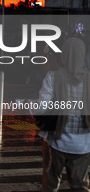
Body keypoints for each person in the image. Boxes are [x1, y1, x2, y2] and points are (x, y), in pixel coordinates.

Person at [28, 37, 90, 191]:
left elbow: (40, 108)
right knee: (80, 186)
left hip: (56, 141)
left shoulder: (53, 77)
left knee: (51, 184)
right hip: (83, 145)